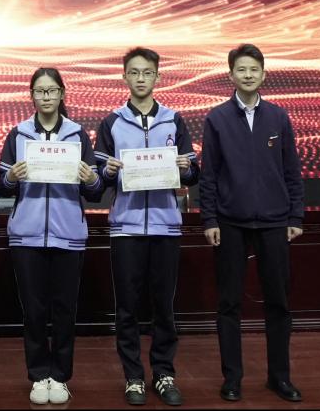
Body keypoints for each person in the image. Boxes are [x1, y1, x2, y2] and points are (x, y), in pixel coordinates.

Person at [199, 44, 304, 403]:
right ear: (231, 75)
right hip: (230, 222)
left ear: (263, 74)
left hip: (275, 222)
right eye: (241, 69)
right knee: (228, 304)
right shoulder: (216, 118)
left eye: (254, 69)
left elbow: (291, 170)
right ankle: (232, 379)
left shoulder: (278, 117)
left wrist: (295, 215)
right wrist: (209, 218)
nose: (248, 75)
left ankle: (280, 378)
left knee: (279, 303)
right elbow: (209, 175)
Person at [94, 47, 199, 407]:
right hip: (126, 228)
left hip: (165, 226)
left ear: (157, 77)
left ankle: (164, 373)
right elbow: (98, 180)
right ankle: (133, 377)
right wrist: (107, 171)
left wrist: (185, 167)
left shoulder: (173, 120)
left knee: (163, 307)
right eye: (134, 72)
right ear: (124, 76)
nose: (141, 78)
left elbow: (193, 174)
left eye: (147, 72)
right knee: (127, 308)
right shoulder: (111, 122)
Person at [0, 68, 103, 405]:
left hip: (68, 233)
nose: (46, 96)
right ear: (32, 95)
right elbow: (1, 185)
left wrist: (91, 179)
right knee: (33, 310)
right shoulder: (18, 134)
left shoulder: (77, 134)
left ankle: (60, 376)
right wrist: (11, 177)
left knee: (64, 310)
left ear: (61, 94)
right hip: (26, 236)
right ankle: (38, 374)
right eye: (40, 91)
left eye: (51, 90)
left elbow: (96, 190)